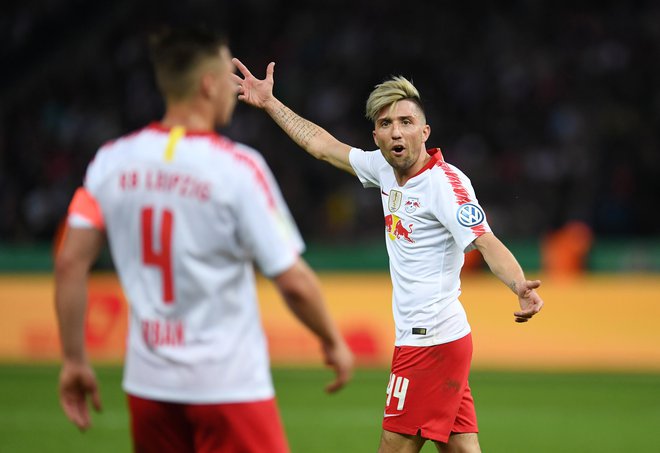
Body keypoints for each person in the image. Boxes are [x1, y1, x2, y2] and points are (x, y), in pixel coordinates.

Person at [54, 27, 353, 453]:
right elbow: (293, 281)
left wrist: (72, 360)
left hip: (148, 386)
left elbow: (69, 263)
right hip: (228, 387)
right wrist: (331, 340)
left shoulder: (111, 162)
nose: (234, 91)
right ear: (209, 84)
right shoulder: (238, 169)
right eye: (227, 78)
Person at [232, 59, 544, 453]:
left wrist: (520, 285)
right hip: (434, 340)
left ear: (424, 131)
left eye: (406, 121)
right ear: (376, 135)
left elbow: (485, 241)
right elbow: (322, 147)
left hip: (429, 342)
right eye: (385, 124)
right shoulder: (382, 168)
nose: (396, 131)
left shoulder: (445, 185)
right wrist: (270, 103)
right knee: (462, 448)